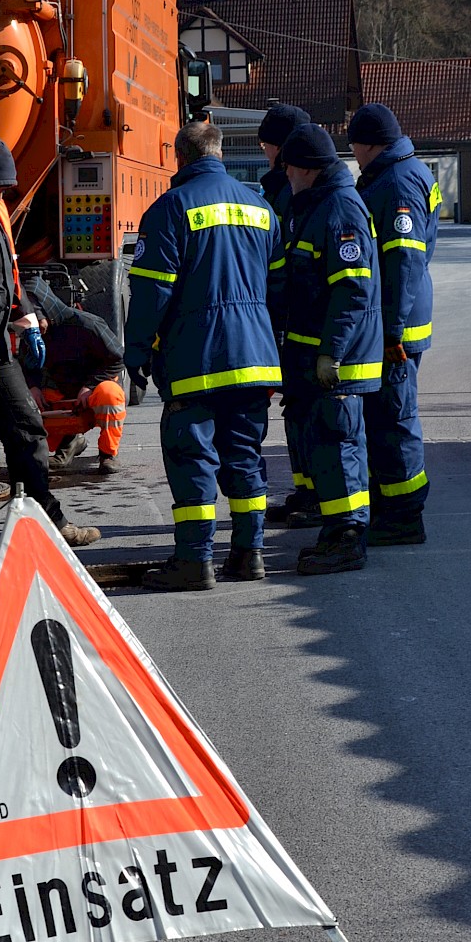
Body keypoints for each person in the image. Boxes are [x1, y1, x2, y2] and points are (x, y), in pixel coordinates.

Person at [124, 117, 282, 590]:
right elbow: (278, 285)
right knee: (245, 457)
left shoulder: (170, 209)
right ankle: (250, 555)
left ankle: (195, 560)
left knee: (192, 456)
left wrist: (135, 351)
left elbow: (151, 293)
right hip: (254, 356)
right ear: (220, 154)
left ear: (180, 158)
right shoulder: (261, 207)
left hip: (197, 360)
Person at [0, 135, 100, 548]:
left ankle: (47, 520)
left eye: (3, 189)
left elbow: (5, 270)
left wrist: (23, 313)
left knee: (27, 430)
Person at [275, 123, 382, 575]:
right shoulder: (317, 205)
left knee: (340, 446)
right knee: (326, 444)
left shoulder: (339, 209)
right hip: (319, 354)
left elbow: (352, 290)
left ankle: (348, 537)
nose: (285, 179)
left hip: (340, 359)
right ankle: (336, 531)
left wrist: (330, 353)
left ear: (304, 169)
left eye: (288, 171)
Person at [349, 104, 441, 546]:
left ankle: (405, 515)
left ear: (369, 144)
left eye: (355, 147)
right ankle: (392, 505)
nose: (354, 155)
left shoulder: (399, 180)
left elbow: (404, 259)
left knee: (395, 415)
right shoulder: (401, 172)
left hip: (396, 322)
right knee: (387, 414)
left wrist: (392, 331)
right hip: (398, 315)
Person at [254, 102, 317, 527]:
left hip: (298, 319)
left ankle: (316, 495)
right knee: (296, 409)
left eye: (265, 147)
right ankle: (307, 490)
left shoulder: (288, 191)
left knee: (309, 411)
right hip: (294, 319)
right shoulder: (286, 187)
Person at [20, 278, 127, 474]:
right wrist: (32, 387)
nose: (38, 329)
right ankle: (68, 442)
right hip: (62, 393)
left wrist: (89, 387)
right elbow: (25, 366)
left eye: (39, 321)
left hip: (94, 390)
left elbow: (117, 359)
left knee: (110, 395)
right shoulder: (32, 336)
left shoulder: (87, 324)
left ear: (49, 312)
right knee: (28, 402)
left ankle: (108, 454)